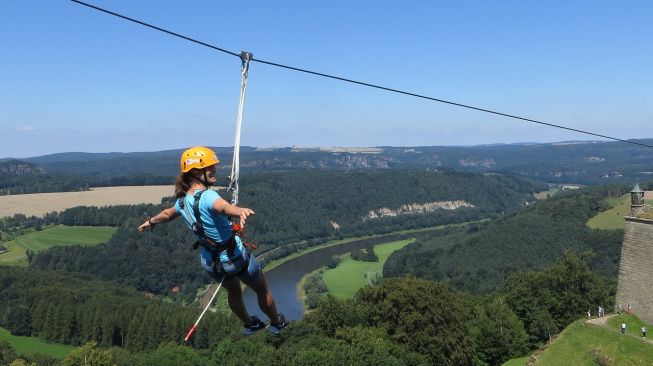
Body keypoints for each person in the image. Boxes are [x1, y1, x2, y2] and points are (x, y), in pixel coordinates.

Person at [137, 146, 288, 335]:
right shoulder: (208, 196)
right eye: (209, 167)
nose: (215, 170)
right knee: (260, 289)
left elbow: (168, 214)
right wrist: (239, 211)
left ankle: (249, 324)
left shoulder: (183, 201)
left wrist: (151, 221)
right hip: (234, 258)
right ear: (195, 172)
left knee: (234, 293)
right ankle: (276, 322)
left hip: (211, 262)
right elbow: (224, 207)